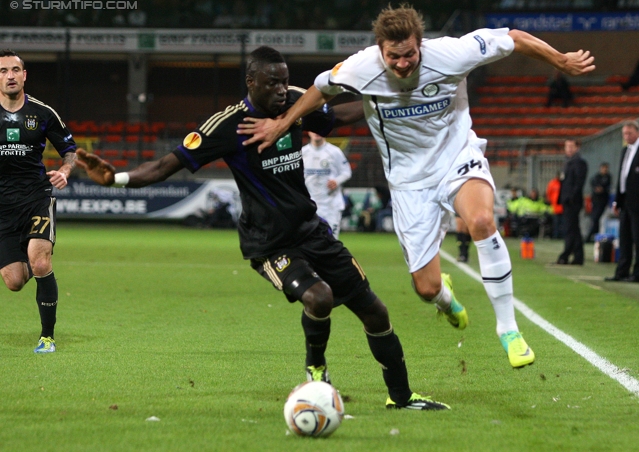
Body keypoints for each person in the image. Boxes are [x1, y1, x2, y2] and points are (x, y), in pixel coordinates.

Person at [76, 46, 449, 411]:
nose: (281, 90)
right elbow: (164, 166)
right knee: (318, 298)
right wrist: (116, 179)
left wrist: (389, 102)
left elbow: (339, 116)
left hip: (311, 230)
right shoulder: (226, 126)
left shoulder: (296, 104)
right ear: (251, 82)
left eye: (284, 82)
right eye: (272, 83)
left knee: (376, 312)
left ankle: (402, 397)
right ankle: (316, 371)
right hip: (269, 243)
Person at [238, 4, 595, 368]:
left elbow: (513, 38)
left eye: (409, 54)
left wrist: (560, 60)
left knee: (483, 222)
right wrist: (282, 124)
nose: (403, 63)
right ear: (380, 48)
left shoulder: (452, 53)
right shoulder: (362, 66)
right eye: (394, 56)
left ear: (420, 44)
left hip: (456, 157)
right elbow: (320, 88)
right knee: (425, 288)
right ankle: (445, 299)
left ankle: (508, 329)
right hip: (409, 182)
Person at [0, 49, 77, 353]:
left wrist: (66, 169)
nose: (10, 76)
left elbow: (69, 149)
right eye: (3, 70)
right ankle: (29, 260)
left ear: (24, 75)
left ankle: (47, 336)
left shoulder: (43, 113)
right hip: (3, 207)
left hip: (36, 197)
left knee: (41, 261)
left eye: (15, 70)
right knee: (14, 281)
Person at [605, 121, 639, 282]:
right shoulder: (625, 150)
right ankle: (622, 271)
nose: (626, 137)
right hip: (625, 201)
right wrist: (617, 201)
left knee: (638, 239)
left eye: (629, 133)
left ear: (638, 132)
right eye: (624, 134)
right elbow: (622, 178)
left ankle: (638, 273)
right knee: (624, 238)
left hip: (637, 203)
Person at [302, 131, 352, 238]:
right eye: (313, 129)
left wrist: (337, 181)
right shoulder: (303, 152)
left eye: (320, 128)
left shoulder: (334, 152)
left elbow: (346, 172)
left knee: (332, 240)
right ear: (308, 132)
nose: (317, 132)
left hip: (331, 205)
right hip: (310, 206)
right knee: (310, 240)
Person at [556, 139, 588, 265]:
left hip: (572, 201)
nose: (568, 149)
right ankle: (578, 256)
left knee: (570, 229)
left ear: (577, 147)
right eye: (566, 146)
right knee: (574, 229)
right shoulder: (568, 162)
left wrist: (571, 197)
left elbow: (579, 183)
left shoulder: (579, 162)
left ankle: (566, 255)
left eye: (571, 146)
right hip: (567, 200)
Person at [585, 162, 611, 243]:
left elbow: (605, 186)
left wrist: (601, 188)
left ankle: (589, 237)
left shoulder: (608, 177)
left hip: (602, 201)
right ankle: (593, 236)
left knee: (596, 218)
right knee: (594, 218)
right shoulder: (596, 177)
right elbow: (593, 184)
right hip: (595, 201)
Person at [546, 173, 564, 239]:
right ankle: (555, 236)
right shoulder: (552, 183)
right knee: (556, 223)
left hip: (563, 207)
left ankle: (562, 236)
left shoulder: (563, 183)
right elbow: (549, 193)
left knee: (563, 223)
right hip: (555, 207)